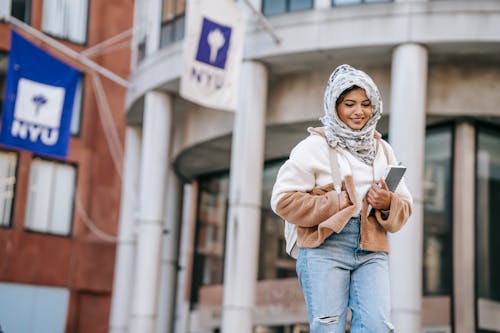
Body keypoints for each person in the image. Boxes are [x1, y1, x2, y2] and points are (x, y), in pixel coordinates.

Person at [270, 64, 413, 333]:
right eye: (349, 104)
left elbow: (406, 206)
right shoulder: (313, 147)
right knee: (327, 327)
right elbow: (282, 201)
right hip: (325, 246)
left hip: (372, 248)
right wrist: (333, 203)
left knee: (377, 326)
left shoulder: (383, 150)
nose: (359, 111)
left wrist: (386, 203)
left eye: (366, 104)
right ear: (335, 105)